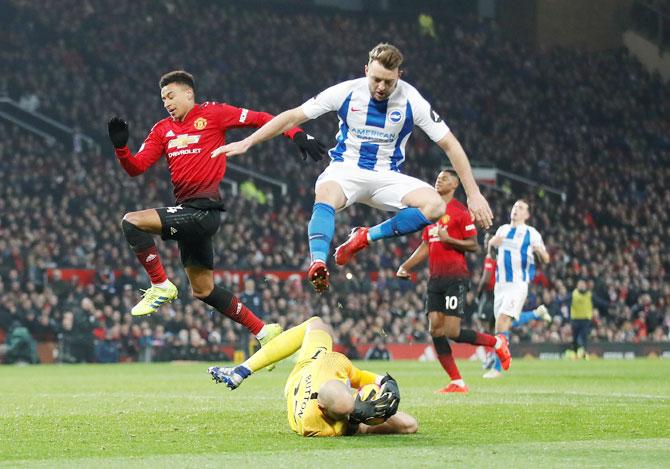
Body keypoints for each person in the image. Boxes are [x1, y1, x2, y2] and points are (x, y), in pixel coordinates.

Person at [217, 43, 493, 293]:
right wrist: (248, 142)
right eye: (376, 79)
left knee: (435, 207)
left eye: (389, 81)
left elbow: (451, 145)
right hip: (345, 170)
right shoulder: (347, 91)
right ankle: (317, 264)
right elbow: (293, 116)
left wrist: (473, 193)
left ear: (400, 74)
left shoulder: (412, 100)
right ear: (365, 71)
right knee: (325, 193)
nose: (381, 87)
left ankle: (365, 237)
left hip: (387, 177)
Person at [106, 70, 326, 349]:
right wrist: (121, 148)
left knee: (132, 222)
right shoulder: (162, 130)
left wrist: (296, 133)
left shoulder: (214, 114)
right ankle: (263, 331)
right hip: (189, 213)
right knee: (203, 290)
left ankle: (160, 285)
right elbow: (136, 168)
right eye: (163, 99)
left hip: (204, 212)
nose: (167, 103)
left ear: (189, 93)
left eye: (171, 96)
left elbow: (261, 118)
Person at [396, 169, 510, 393]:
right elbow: (426, 245)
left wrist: (450, 239)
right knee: (435, 330)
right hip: (434, 279)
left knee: (452, 331)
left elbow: (473, 245)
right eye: (437, 177)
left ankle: (497, 342)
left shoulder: (460, 211)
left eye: (445, 178)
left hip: (455, 277)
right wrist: (405, 266)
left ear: (455, 184)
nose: (439, 180)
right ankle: (457, 381)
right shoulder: (430, 211)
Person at [208, 317, 416, 437]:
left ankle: (243, 370)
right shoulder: (339, 428)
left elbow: (345, 385)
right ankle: (243, 370)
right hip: (317, 384)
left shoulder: (313, 422)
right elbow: (410, 425)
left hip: (306, 370)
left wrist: (375, 389)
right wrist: (381, 388)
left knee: (316, 323)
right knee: (317, 324)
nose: (350, 387)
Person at [485, 199, 550, 378]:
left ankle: (497, 368)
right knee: (503, 324)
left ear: (527, 215)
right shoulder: (503, 230)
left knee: (503, 320)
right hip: (501, 285)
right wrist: (492, 243)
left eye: (521, 208)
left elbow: (546, 258)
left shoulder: (531, 233)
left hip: (518, 283)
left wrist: (539, 251)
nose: (516, 210)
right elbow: (491, 251)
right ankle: (536, 314)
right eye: (514, 206)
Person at [569, 279, 593, 359]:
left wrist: (610, 305)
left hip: (585, 319)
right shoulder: (573, 294)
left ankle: (585, 353)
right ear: (577, 286)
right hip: (575, 319)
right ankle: (575, 354)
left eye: (583, 285)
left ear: (585, 286)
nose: (582, 286)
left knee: (584, 337)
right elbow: (565, 300)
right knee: (574, 337)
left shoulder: (589, 294)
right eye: (580, 285)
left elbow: (599, 301)